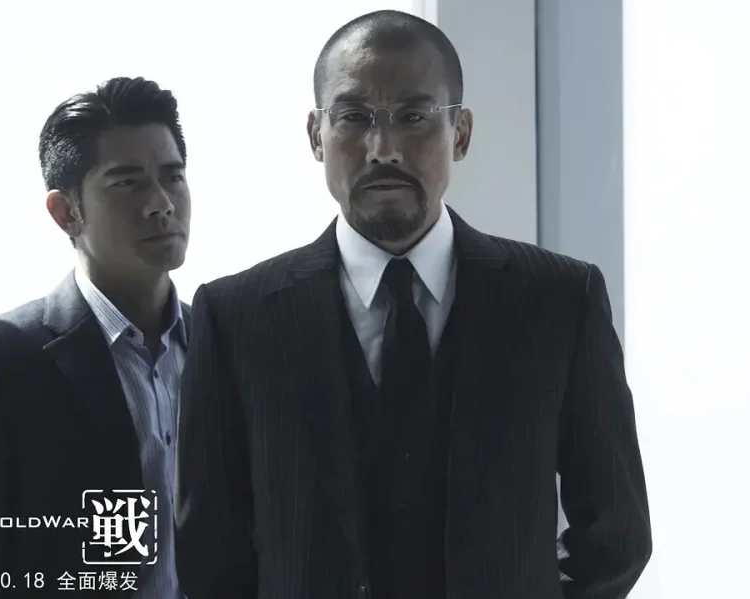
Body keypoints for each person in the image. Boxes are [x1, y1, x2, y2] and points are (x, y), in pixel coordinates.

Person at [175, 10, 651, 599]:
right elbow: (209, 553)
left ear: (461, 133)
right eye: (354, 117)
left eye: (414, 117)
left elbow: (617, 533)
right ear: (316, 135)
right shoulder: (235, 317)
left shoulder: (559, 300)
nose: (384, 149)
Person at [0, 77, 192, 598]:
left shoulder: (223, 345)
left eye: (173, 177)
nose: (161, 203)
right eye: (127, 183)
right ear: (66, 213)